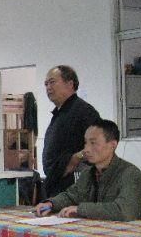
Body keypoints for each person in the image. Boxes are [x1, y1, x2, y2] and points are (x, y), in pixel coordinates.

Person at [34, 119, 141, 221]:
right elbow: (71, 196)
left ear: (112, 145)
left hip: (133, 235)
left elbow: (123, 211)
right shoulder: (87, 173)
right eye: (86, 143)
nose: (86, 149)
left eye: (93, 143)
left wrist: (80, 209)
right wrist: (51, 204)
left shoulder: (130, 173)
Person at [42, 65, 100, 198]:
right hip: (56, 184)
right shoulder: (59, 113)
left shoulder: (84, 111)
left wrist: (77, 157)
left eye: (52, 82)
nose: (48, 87)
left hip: (73, 187)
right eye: (46, 84)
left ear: (70, 84)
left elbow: (100, 144)